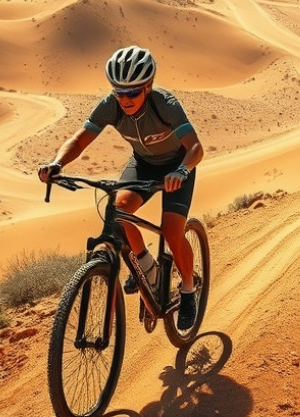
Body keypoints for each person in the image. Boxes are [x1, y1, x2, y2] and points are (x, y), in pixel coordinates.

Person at [38, 45, 204, 329]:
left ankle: (188, 289)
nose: (125, 99)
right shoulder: (110, 106)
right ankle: (148, 269)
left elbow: (196, 148)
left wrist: (181, 170)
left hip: (176, 167)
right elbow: (79, 140)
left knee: (173, 232)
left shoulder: (165, 104)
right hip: (142, 164)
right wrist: (57, 164)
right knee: (118, 210)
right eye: (119, 92)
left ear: (148, 86)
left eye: (132, 92)